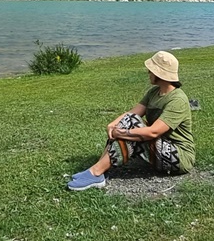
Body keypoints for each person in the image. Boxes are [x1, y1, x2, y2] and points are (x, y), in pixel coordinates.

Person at [66, 50, 195, 191]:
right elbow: (132, 113)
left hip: (180, 157)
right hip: (161, 147)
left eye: (151, 70)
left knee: (130, 125)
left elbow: (153, 132)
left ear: (159, 74)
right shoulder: (153, 93)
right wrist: (113, 125)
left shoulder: (178, 100)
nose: (148, 73)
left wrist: (121, 133)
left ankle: (96, 172)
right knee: (129, 120)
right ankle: (98, 170)